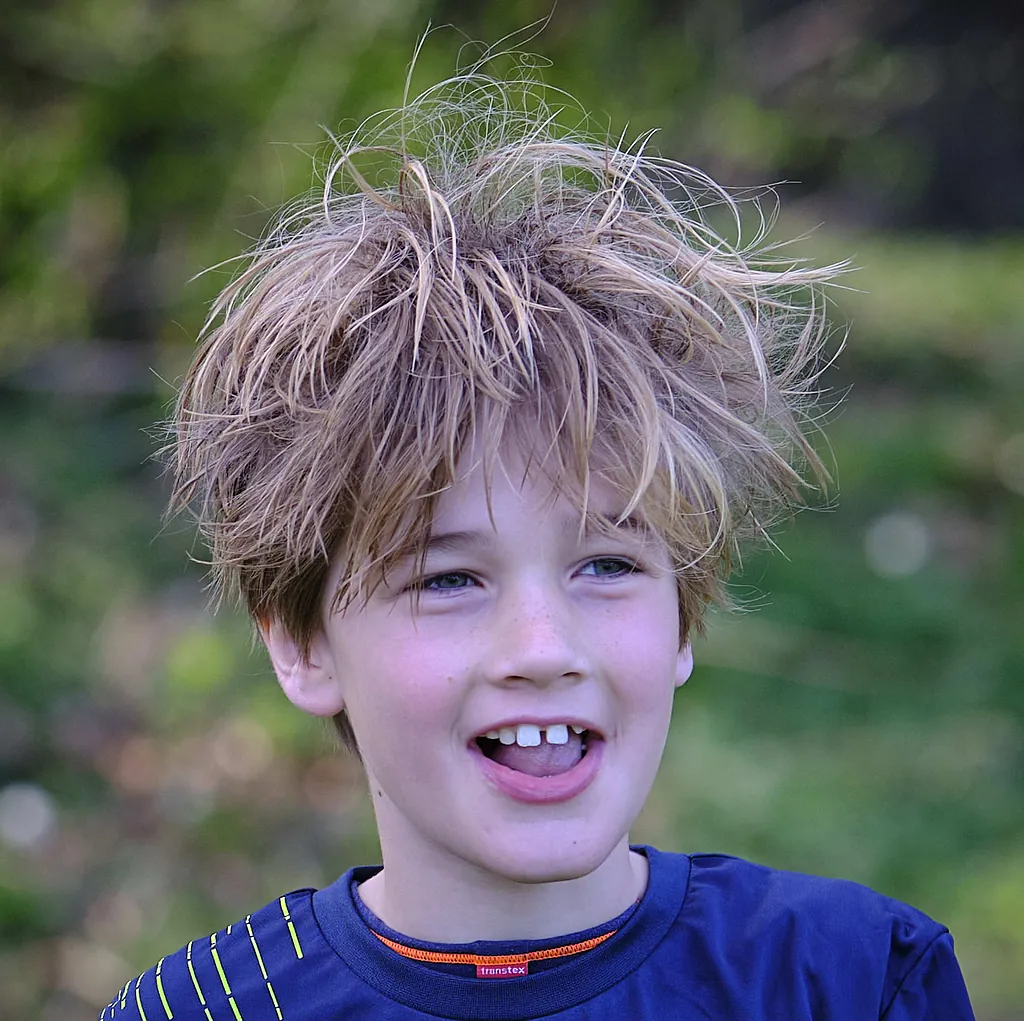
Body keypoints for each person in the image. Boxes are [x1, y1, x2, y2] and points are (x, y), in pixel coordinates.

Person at [100, 63, 975, 1020]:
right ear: (302, 644)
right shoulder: (202, 1008)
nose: (544, 648)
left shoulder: (851, 980)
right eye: (448, 579)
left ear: (683, 616)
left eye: (606, 564)